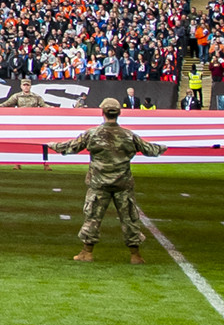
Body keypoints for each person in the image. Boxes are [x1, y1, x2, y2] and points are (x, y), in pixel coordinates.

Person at [60, 97, 163, 264]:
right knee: (129, 218)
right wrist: (170, 147)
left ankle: (87, 252)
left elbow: (70, 147)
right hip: (123, 184)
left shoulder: (92, 134)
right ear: (119, 113)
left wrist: (49, 144)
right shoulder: (128, 135)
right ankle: (135, 255)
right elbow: (151, 150)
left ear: (102, 113)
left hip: (99, 184)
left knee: (93, 217)